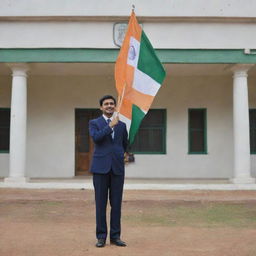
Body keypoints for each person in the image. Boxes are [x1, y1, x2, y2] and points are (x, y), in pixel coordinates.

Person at [89, 95, 128, 248]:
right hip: (100, 168)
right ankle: (101, 237)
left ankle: (115, 236)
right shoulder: (94, 123)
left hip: (117, 168)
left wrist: (119, 155)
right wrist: (110, 126)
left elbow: (125, 143)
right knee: (100, 203)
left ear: (115, 106)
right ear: (101, 107)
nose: (109, 106)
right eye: (106, 104)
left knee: (116, 204)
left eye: (112, 104)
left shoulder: (122, 125)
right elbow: (96, 138)